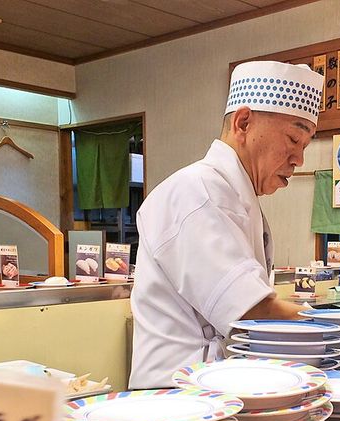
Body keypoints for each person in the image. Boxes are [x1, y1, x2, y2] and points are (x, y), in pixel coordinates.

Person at [129, 61, 324, 388]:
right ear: (243, 122)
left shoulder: (234, 195)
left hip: (214, 388)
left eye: (304, 146)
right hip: (176, 398)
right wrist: (339, 330)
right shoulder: (195, 192)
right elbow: (250, 312)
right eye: (293, 139)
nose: (299, 159)